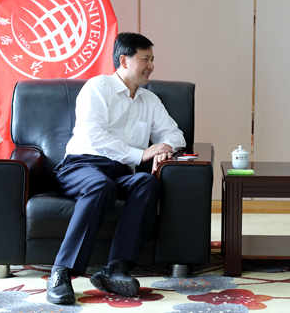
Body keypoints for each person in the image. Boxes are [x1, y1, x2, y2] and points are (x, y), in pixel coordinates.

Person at [46, 32, 186, 304]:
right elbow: (95, 136)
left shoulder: (149, 100)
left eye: (152, 60)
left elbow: (175, 134)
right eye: (145, 59)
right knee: (100, 185)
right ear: (124, 60)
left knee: (147, 183)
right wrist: (142, 153)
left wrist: (165, 147)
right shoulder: (98, 87)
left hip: (120, 174)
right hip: (81, 165)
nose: (151, 66)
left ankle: (116, 267)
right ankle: (61, 272)